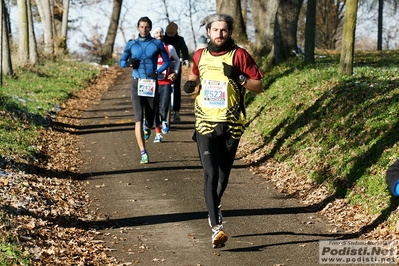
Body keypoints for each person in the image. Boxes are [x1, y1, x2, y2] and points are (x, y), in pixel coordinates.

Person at [183, 13, 263, 248]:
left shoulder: (239, 55)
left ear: (229, 32)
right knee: (210, 174)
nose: (220, 34)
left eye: (224, 30)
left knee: (223, 176)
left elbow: (258, 85)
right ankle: (216, 226)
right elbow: (194, 78)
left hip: (231, 123)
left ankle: (212, 208)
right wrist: (191, 85)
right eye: (215, 30)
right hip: (205, 123)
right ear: (208, 32)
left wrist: (238, 77)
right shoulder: (199, 54)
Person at [119, 17, 171, 164]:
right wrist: (129, 63)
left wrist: (158, 71)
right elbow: (121, 62)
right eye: (141, 27)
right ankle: (143, 152)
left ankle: (148, 127)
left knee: (150, 117)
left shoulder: (157, 43)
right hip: (137, 83)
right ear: (137, 28)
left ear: (150, 28)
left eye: (147, 27)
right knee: (138, 118)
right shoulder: (131, 44)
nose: (144, 29)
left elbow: (167, 61)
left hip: (151, 83)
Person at [152, 26, 181, 143]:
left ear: (163, 35)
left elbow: (178, 60)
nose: (159, 34)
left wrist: (175, 72)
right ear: (153, 35)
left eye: (161, 33)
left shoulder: (169, 48)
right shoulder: (149, 48)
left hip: (165, 82)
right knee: (153, 109)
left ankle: (164, 121)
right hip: (152, 83)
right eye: (157, 32)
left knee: (164, 105)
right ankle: (158, 133)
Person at [163, 22, 190, 122]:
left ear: (175, 32)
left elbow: (184, 50)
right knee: (161, 86)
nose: (170, 34)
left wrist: (186, 59)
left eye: (172, 32)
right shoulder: (163, 39)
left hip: (176, 65)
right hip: (163, 65)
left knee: (176, 88)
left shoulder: (180, 39)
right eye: (168, 32)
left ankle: (176, 111)